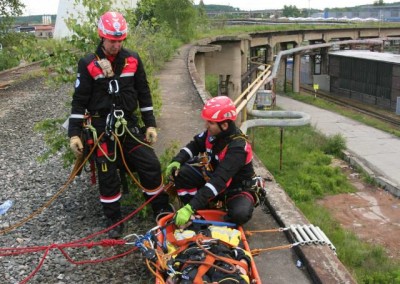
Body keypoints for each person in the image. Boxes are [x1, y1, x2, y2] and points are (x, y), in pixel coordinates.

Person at [68, 11, 171, 238]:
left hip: (129, 126)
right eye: (112, 40)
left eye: (119, 40)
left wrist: (150, 125)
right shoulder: (88, 64)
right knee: (107, 174)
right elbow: (79, 101)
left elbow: (144, 94)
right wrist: (74, 134)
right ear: (101, 37)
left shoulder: (132, 59)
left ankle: (161, 209)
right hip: (102, 129)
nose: (116, 45)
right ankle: (114, 218)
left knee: (150, 164)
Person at [166, 96, 264, 227]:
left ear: (224, 125)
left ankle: (201, 213)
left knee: (239, 214)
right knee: (182, 174)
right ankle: (198, 213)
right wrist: (177, 160)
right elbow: (194, 145)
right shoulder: (213, 134)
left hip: (237, 188)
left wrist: (191, 207)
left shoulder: (238, 149)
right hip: (216, 180)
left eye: (210, 123)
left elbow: (219, 181)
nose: (206, 126)